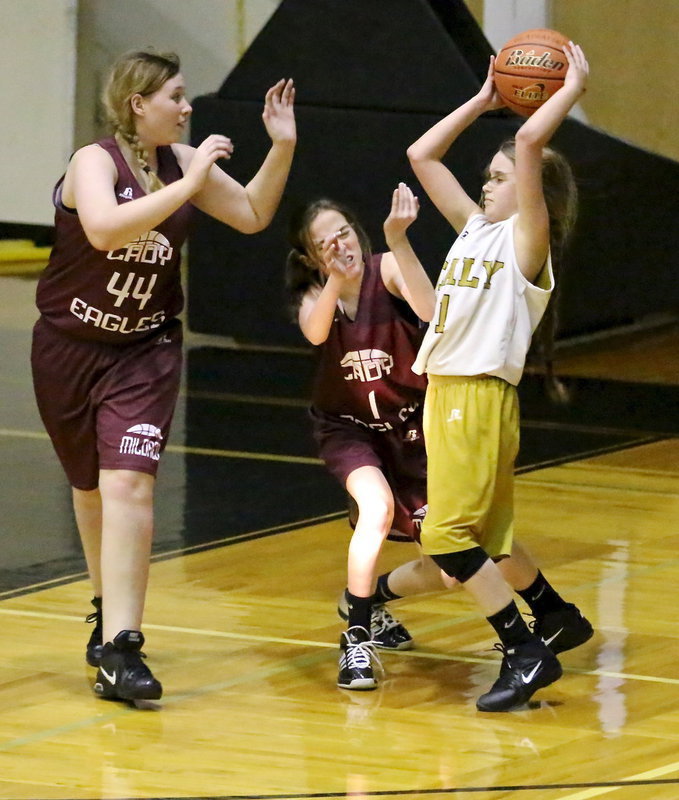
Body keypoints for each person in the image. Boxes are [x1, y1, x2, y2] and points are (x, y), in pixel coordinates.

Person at [31, 50, 296, 703]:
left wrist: (281, 147)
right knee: (91, 488)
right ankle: (105, 607)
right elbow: (101, 230)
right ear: (136, 104)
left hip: (143, 348)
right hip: (69, 345)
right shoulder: (94, 162)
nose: (186, 107)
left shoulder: (180, 163)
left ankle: (123, 647)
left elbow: (252, 214)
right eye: (175, 97)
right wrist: (189, 181)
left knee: (130, 486)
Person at [286, 182, 591, 693]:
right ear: (310, 258)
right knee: (377, 509)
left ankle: (371, 598)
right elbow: (316, 334)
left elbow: (429, 310)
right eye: (326, 244)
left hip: (418, 426)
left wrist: (399, 241)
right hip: (353, 431)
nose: (341, 247)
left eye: (344, 234)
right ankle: (356, 639)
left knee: (458, 555)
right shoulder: (318, 296)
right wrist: (336, 283)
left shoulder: (385, 268)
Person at [405, 43, 591, 711]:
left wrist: (569, 89)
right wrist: (481, 99)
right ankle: (554, 615)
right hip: (448, 393)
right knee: (486, 540)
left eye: (496, 176)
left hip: (475, 396)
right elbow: (421, 157)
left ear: (529, 188)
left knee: (445, 538)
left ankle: (523, 649)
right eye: (483, 175)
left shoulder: (524, 241)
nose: (484, 183)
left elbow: (530, 138)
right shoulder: (474, 230)